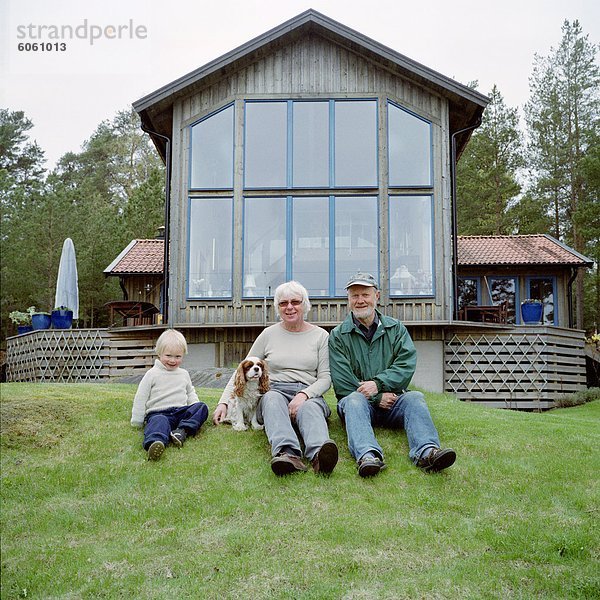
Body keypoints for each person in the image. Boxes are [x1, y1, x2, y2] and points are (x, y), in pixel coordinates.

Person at [328, 272, 456, 477]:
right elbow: (343, 381)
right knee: (352, 400)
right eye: (354, 296)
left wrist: (378, 384)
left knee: (415, 397)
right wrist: (377, 397)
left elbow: (405, 365)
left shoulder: (396, 329)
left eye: (365, 295)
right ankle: (368, 456)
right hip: (358, 405)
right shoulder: (337, 336)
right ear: (348, 300)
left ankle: (427, 452)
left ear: (377, 296)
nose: (360, 300)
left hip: (393, 402)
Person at [213, 281, 338, 476]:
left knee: (311, 408)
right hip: (274, 390)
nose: (289, 307)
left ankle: (319, 456)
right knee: (271, 399)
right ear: (277, 308)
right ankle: (287, 454)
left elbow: (325, 378)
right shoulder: (268, 334)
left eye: (295, 302)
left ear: (305, 304)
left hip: (308, 393)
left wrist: (304, 395)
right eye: (283, 303)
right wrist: (224, 403)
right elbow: (241, 371)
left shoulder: (321, 336)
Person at [131, 329, 208, 461]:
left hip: (180, 413)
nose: (173, 360)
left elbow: (190, 392)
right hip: (159, 412)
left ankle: (182, 431)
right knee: (158, 422)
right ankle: (155, 442)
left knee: (201, 407)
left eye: (178, 357)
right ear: (159, 353)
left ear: (183, 355)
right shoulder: (152, 374)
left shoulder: (184, 374)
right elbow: (141, 396)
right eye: (168, 356)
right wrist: (137, 420)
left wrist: (193, 407)